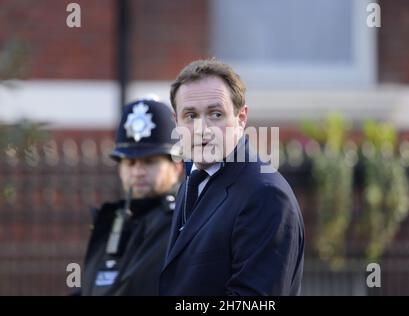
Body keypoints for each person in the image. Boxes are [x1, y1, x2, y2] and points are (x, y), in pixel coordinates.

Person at [159, 59, 305, 296]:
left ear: (241, 117)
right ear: (176, 122)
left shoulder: (265, 194)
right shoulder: (194, 178)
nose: (201, 129)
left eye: (216, 114)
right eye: (190, 115)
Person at [81, 99, 183, 295]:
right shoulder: (113, 221)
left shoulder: (186, 221)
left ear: (176, 166)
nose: (138, 172)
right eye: (130, 162)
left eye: (150, 162)